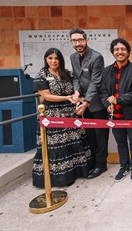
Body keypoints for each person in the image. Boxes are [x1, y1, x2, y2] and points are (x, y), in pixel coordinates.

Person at [32, 48, 91, 188]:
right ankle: (60, 179)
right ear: (46, 59)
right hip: (53, 117)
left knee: (73, 143)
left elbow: (76, 87)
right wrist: (66, 97)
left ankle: (76, 173)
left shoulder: (67, 74)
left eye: (56, 58)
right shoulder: (42, 75)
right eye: (50, 58)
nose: (53, 61)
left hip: (70, 115)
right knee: (57, 146)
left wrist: (79, 97)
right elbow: (46, 96)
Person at [100, 38, 132, 182]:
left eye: (123, 49)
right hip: (115, 114)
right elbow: (103, 91)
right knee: (120, 142)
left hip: (131, 114)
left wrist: (118, 100)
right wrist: (107, 104)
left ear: (128, 52)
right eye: (117, 49)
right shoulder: (106, 71)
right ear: (113, 52)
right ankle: (124, 166)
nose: (120, 52)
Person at [69, 28, 109, 179]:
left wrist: (86, 102)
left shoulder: (96, 57)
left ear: (87, 40)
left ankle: (101, 165)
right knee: (90, 135)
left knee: (101, 136)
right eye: (74, 40)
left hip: (97, 103)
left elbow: (95, 82)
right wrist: (77, 92)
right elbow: (75, 78)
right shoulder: (73, 57)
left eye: (80, 40)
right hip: (82, 103)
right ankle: (93, 162)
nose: (77, 43)